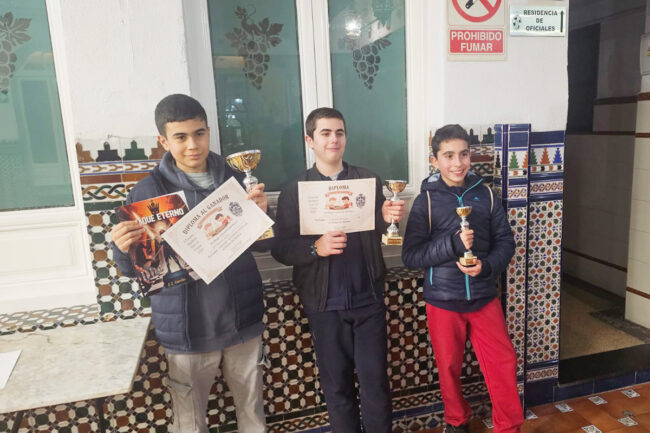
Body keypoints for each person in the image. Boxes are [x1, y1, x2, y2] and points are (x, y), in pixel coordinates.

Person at [110, 94, 271, 433]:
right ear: (163, 141)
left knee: (253, 418)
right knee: (189, 425)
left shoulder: (237, 180)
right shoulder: (146, 193)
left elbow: (266, 246)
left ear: (208, 131)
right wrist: (123, 248)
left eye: (199, 134)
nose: (192, 145)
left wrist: (262, 218)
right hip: (185, 330)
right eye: (180, 137)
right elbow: (129, 269)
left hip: (241, 320)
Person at [271, 107, 405, 433]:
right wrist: (314, 248)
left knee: (376, 384)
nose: (334, 139)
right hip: (324, 304)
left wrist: (387, 217)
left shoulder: (367, 181)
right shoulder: (295, 190)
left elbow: (380, 231)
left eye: (339, 132)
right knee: (338, 388)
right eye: (325, 133)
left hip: (367, 298)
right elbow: (280, 248)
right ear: (309, 140)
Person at [401, 124, 523, 433]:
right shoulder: (426, 201)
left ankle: (508, 427)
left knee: (503, 363)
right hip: (443, 300)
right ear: (434, 160)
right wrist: (453, 244)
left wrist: (486, 267)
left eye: (464, 154)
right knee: (448, 367)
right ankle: (456, 421)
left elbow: (505, 243)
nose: (458, 163)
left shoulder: (487, 195)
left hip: (483, 297)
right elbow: (411, 256)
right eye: (449, 155)